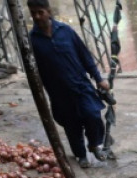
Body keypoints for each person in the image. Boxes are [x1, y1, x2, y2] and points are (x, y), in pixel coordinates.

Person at [27, 0, 109, 168]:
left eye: (40, 12)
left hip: (80, 85)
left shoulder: (66, 31)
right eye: (33, 13)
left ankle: (94, 145)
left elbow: (85, 55)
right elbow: (32, 72)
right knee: (72, 126)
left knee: (93, 115)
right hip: (58, 92)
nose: (37, 16)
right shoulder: (32, 40)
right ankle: (81, 155)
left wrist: (98, 78)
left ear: (48, 11)